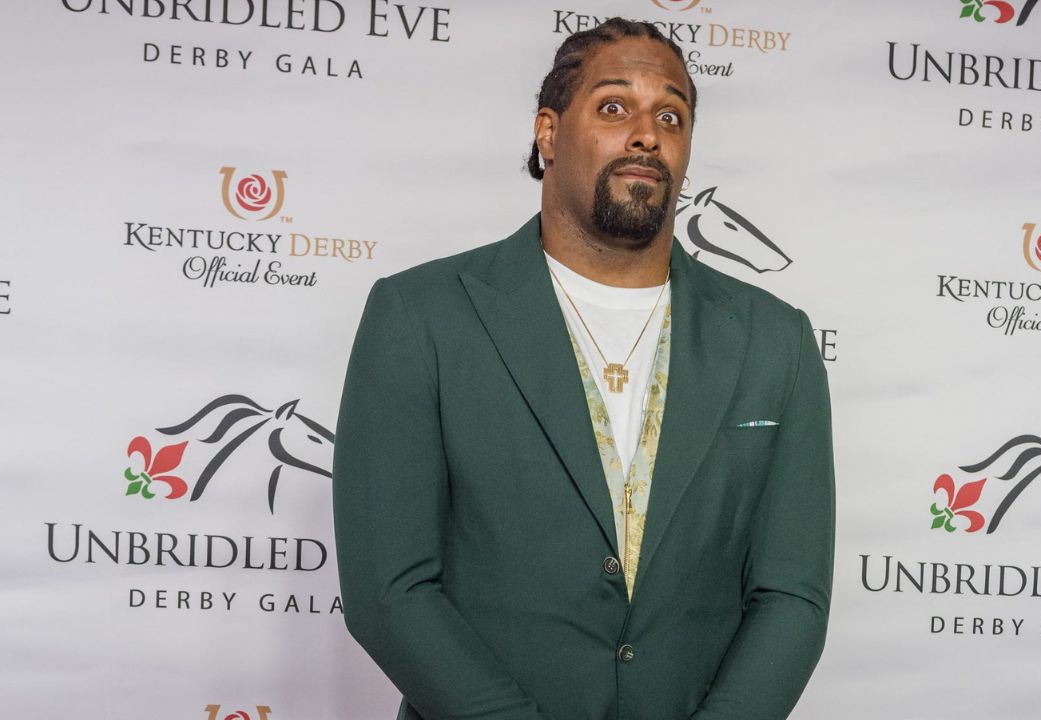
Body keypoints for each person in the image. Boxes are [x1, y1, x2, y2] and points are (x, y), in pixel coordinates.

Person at [334, 17, 834, 720]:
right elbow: (391, 593)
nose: (646, 132)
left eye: (671, 114)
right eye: (612, 107)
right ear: (547, 132)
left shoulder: (773, 339)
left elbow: (793, 598)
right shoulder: (420, 316)